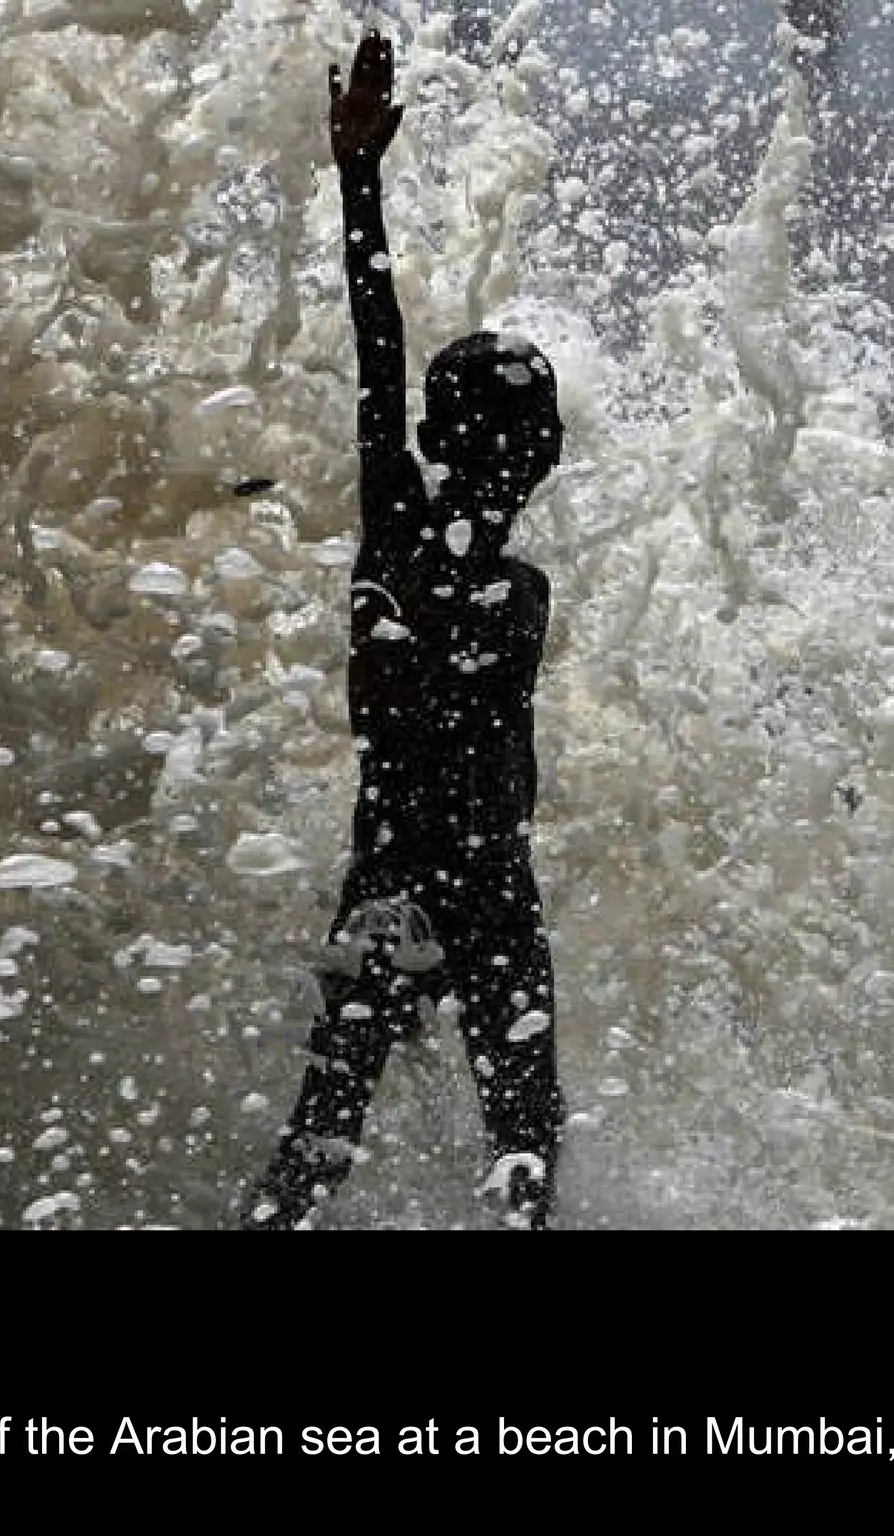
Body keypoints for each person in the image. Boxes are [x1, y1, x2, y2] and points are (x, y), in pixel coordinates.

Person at [241, 29, 565, 1230]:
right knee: (521, 1148)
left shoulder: (398, 539)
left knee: (319, 1145)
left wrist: (361, 179)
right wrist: (357, 178)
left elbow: (377, 356)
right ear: (540, 455)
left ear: (436, 438)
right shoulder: (481, 572)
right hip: (486, 892)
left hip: (389, 883)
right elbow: (380, 361)